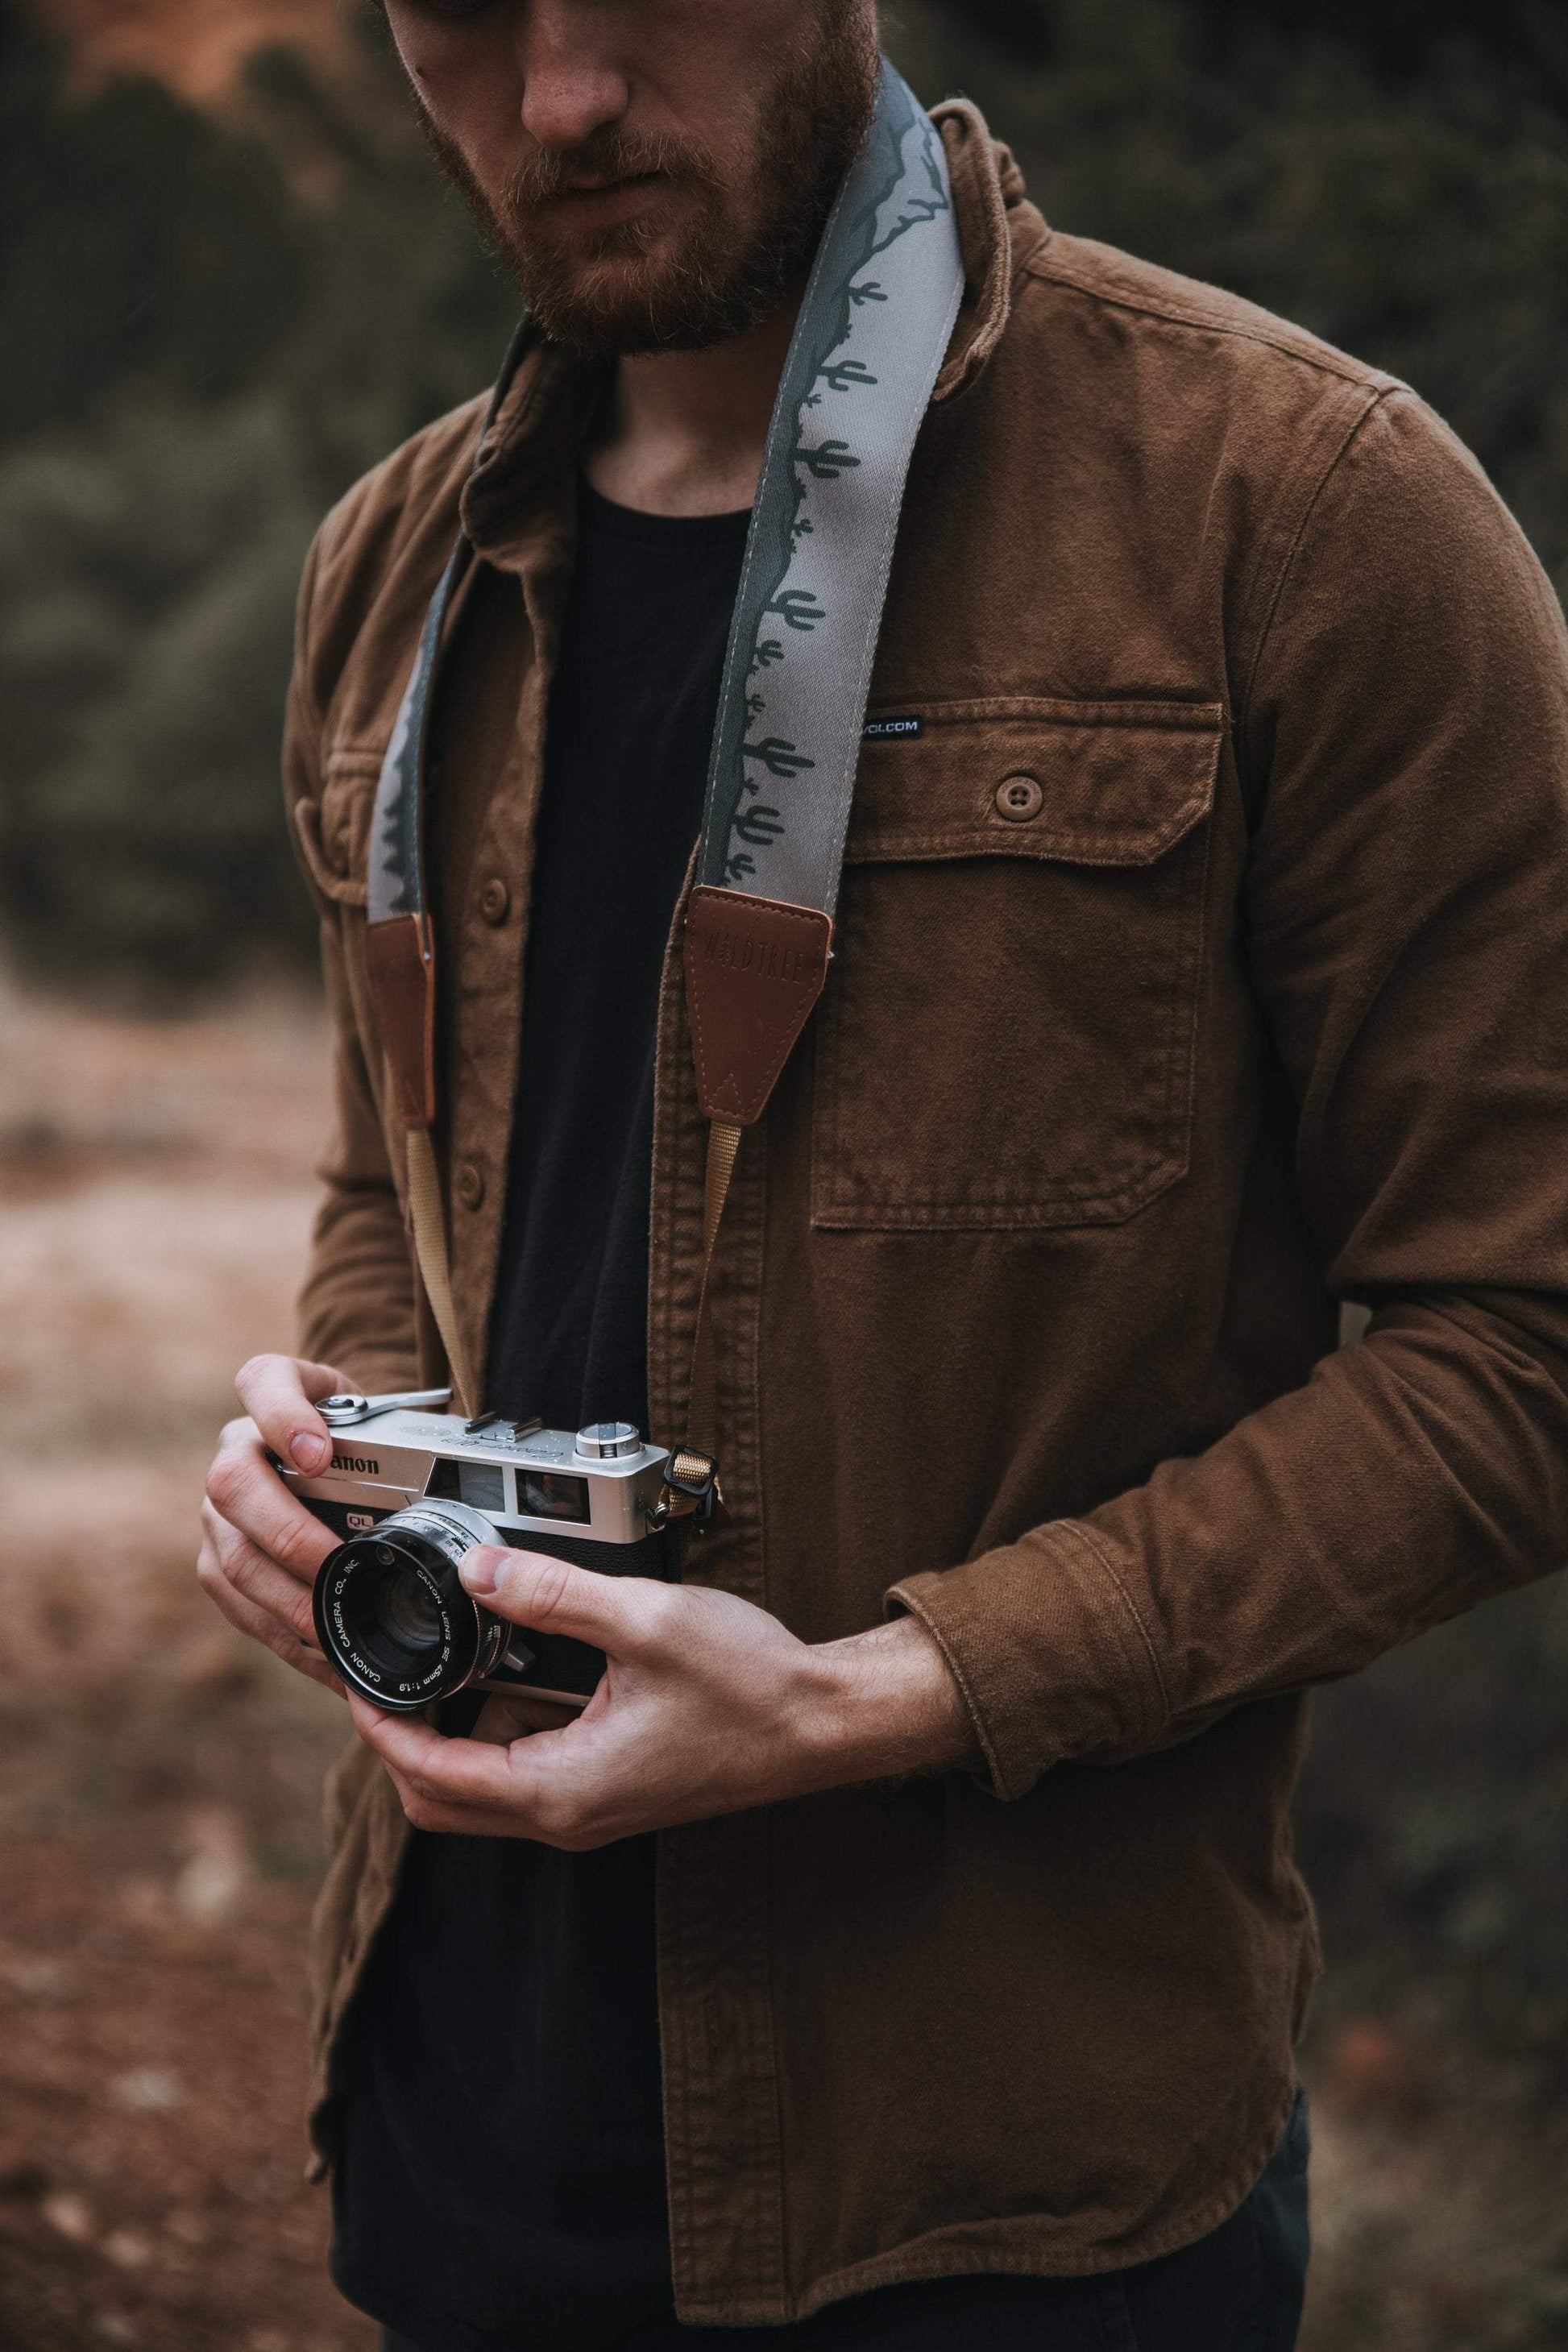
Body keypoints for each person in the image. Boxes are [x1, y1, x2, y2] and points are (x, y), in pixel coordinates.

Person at [196, 3, 1568, 2348]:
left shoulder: (1302, 510)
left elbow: (1519, 1340)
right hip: (449, 2113)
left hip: (1013, 2201)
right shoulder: (389, 564)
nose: (557, 101)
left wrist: (877, 1699)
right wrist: (339, 1452)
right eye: (460, 17)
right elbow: (398, 1182)